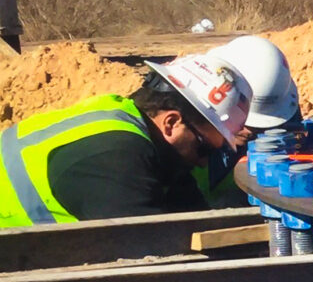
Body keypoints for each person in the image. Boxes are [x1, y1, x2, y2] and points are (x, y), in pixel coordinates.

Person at [0, 53, 251, 225]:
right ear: (172, 123)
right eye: (204, 149)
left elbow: (187, 209)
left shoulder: (129, 123)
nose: (204, 163)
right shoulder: (116, 159)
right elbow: (148, 264)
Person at [192, 34, 302, 205]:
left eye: (257, 123)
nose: (250, 131)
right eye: (244, 119)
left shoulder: (281, 111)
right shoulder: (180, 127)